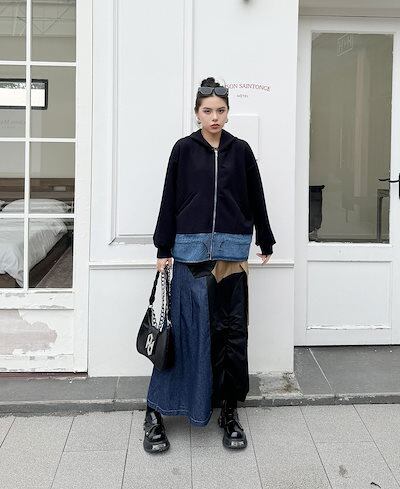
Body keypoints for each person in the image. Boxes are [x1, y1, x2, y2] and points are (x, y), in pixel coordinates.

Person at [143, 76, 276, 453]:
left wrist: (265, 238)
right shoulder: (183, 150)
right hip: (189, 256)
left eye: (220, 110)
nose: (214, 117)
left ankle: (228, 412)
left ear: (228, 113)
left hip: (231, 258)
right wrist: (162, 246)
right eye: (207, 111)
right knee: (185, 334)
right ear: (196, 113)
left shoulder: (242, 151)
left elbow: (256, 195)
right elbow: (170, 197)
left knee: (230, 337)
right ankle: (155, 411)